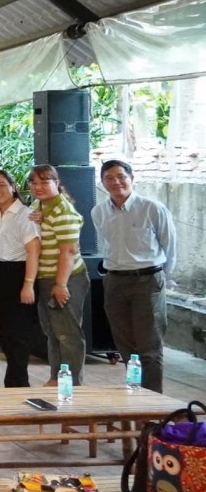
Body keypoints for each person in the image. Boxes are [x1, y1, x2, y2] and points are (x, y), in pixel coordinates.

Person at [93, 159, 177, 393]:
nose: (116, 182)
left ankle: (152, 407)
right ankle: (135, 394)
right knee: (125, 346)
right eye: (109, 178)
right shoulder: (98, 212)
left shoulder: (152, 208)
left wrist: (162, 279)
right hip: (115, 281)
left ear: (131, 178)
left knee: (149, 346)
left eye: (121, 176)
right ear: (102, 183)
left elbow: (169, 247)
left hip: (148, 281)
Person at [28, 164, 90, 385]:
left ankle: (72, 384)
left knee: (68, 335)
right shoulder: (41, 206)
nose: (38, 187)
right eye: (34, 183)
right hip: (46, 279)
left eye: (45, 182)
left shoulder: (63, 211)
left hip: (66, 279)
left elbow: (69, 251)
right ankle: (57, 378)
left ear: (57, 183)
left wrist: (61, 284)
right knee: (53, 334)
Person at [0, 170, 41, 388]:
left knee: (19, 334)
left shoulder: (26, 214)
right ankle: (14, 382)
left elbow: (33, 251)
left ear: (12, 186)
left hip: (19, 274)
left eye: (1, 185)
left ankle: (18, 384)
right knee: (5, 333)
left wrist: (28, 284)